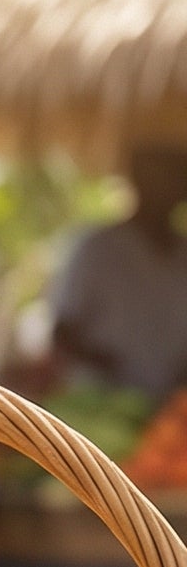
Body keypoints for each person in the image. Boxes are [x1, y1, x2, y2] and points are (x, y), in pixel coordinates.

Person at [53, 144, 187, 402]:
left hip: (170, 407)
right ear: (137, 178)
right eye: (161, 175)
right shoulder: (97, 249)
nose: (170, 186)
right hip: (102, 404)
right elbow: (62, 332)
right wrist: (109, 366)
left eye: (177, 174)